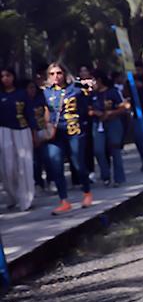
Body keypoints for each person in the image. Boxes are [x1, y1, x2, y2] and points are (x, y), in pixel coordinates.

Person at [42, 63, 92, 214]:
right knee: (55, 164)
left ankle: (87, 192)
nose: (55, 77)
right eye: (51, 74)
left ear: (64, 74)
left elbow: (86, 106)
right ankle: (64, 200)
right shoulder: (45, 93)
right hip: (55, 134)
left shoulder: (75, 90)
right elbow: (44, 111)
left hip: (74, 131)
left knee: (78, 163)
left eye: (58, 73)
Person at [0, 68, 36, 210]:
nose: (5, 79)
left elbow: (29, 113)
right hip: (3, 131)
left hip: (22, 130)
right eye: (2, 76)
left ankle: (26, 199)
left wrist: (34, 133)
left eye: (8, 75)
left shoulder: (22, 94)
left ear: (13, 77)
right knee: (7, 168)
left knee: (25, 165)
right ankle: (12, 196)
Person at [90, 69, 130, 187]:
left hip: (113, 123)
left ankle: (119, 178)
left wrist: (111, 113)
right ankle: (105, 175)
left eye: (93, 80)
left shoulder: (113, 92)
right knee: (98, 150)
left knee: (115, 150)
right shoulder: (92, 94)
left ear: (99, 80)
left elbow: (123, 107)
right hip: (98, 124)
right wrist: (95, 113)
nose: (92, 83)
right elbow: (87, 109)